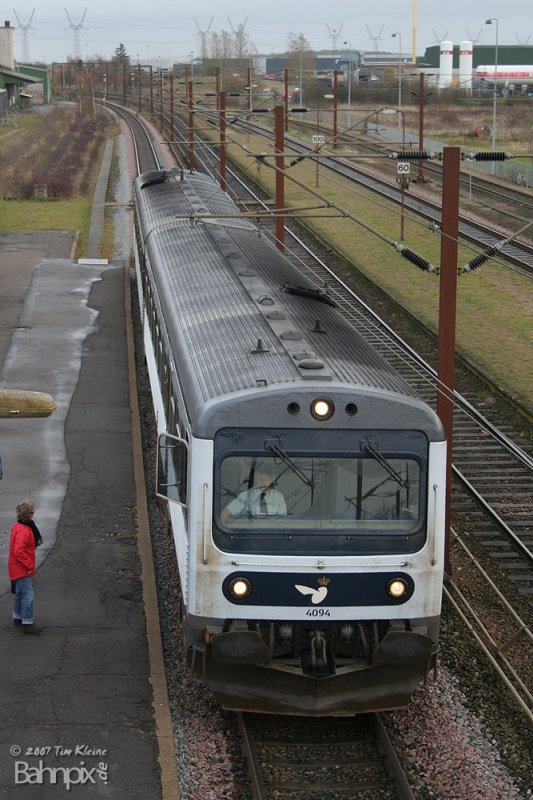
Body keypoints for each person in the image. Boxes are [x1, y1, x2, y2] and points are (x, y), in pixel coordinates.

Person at [8, 499, 42, 635]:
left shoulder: (17, 526)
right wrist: (29, 566)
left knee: (20, 593)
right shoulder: (26, 531)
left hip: (15, 566)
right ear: (30, 515)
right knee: (28, 594)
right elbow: (18, 551)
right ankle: (27, 622)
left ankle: (17, 616)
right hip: (22, 567)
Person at [221, 468, 287, 522]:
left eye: (265, 480)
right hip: (250, 533)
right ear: (255, 481)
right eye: (260, 479)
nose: (263, 482)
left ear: (270, 481)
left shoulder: (278, 497)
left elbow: (283, 520)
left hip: (273, 533)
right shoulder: (245, 495)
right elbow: (226, 512)